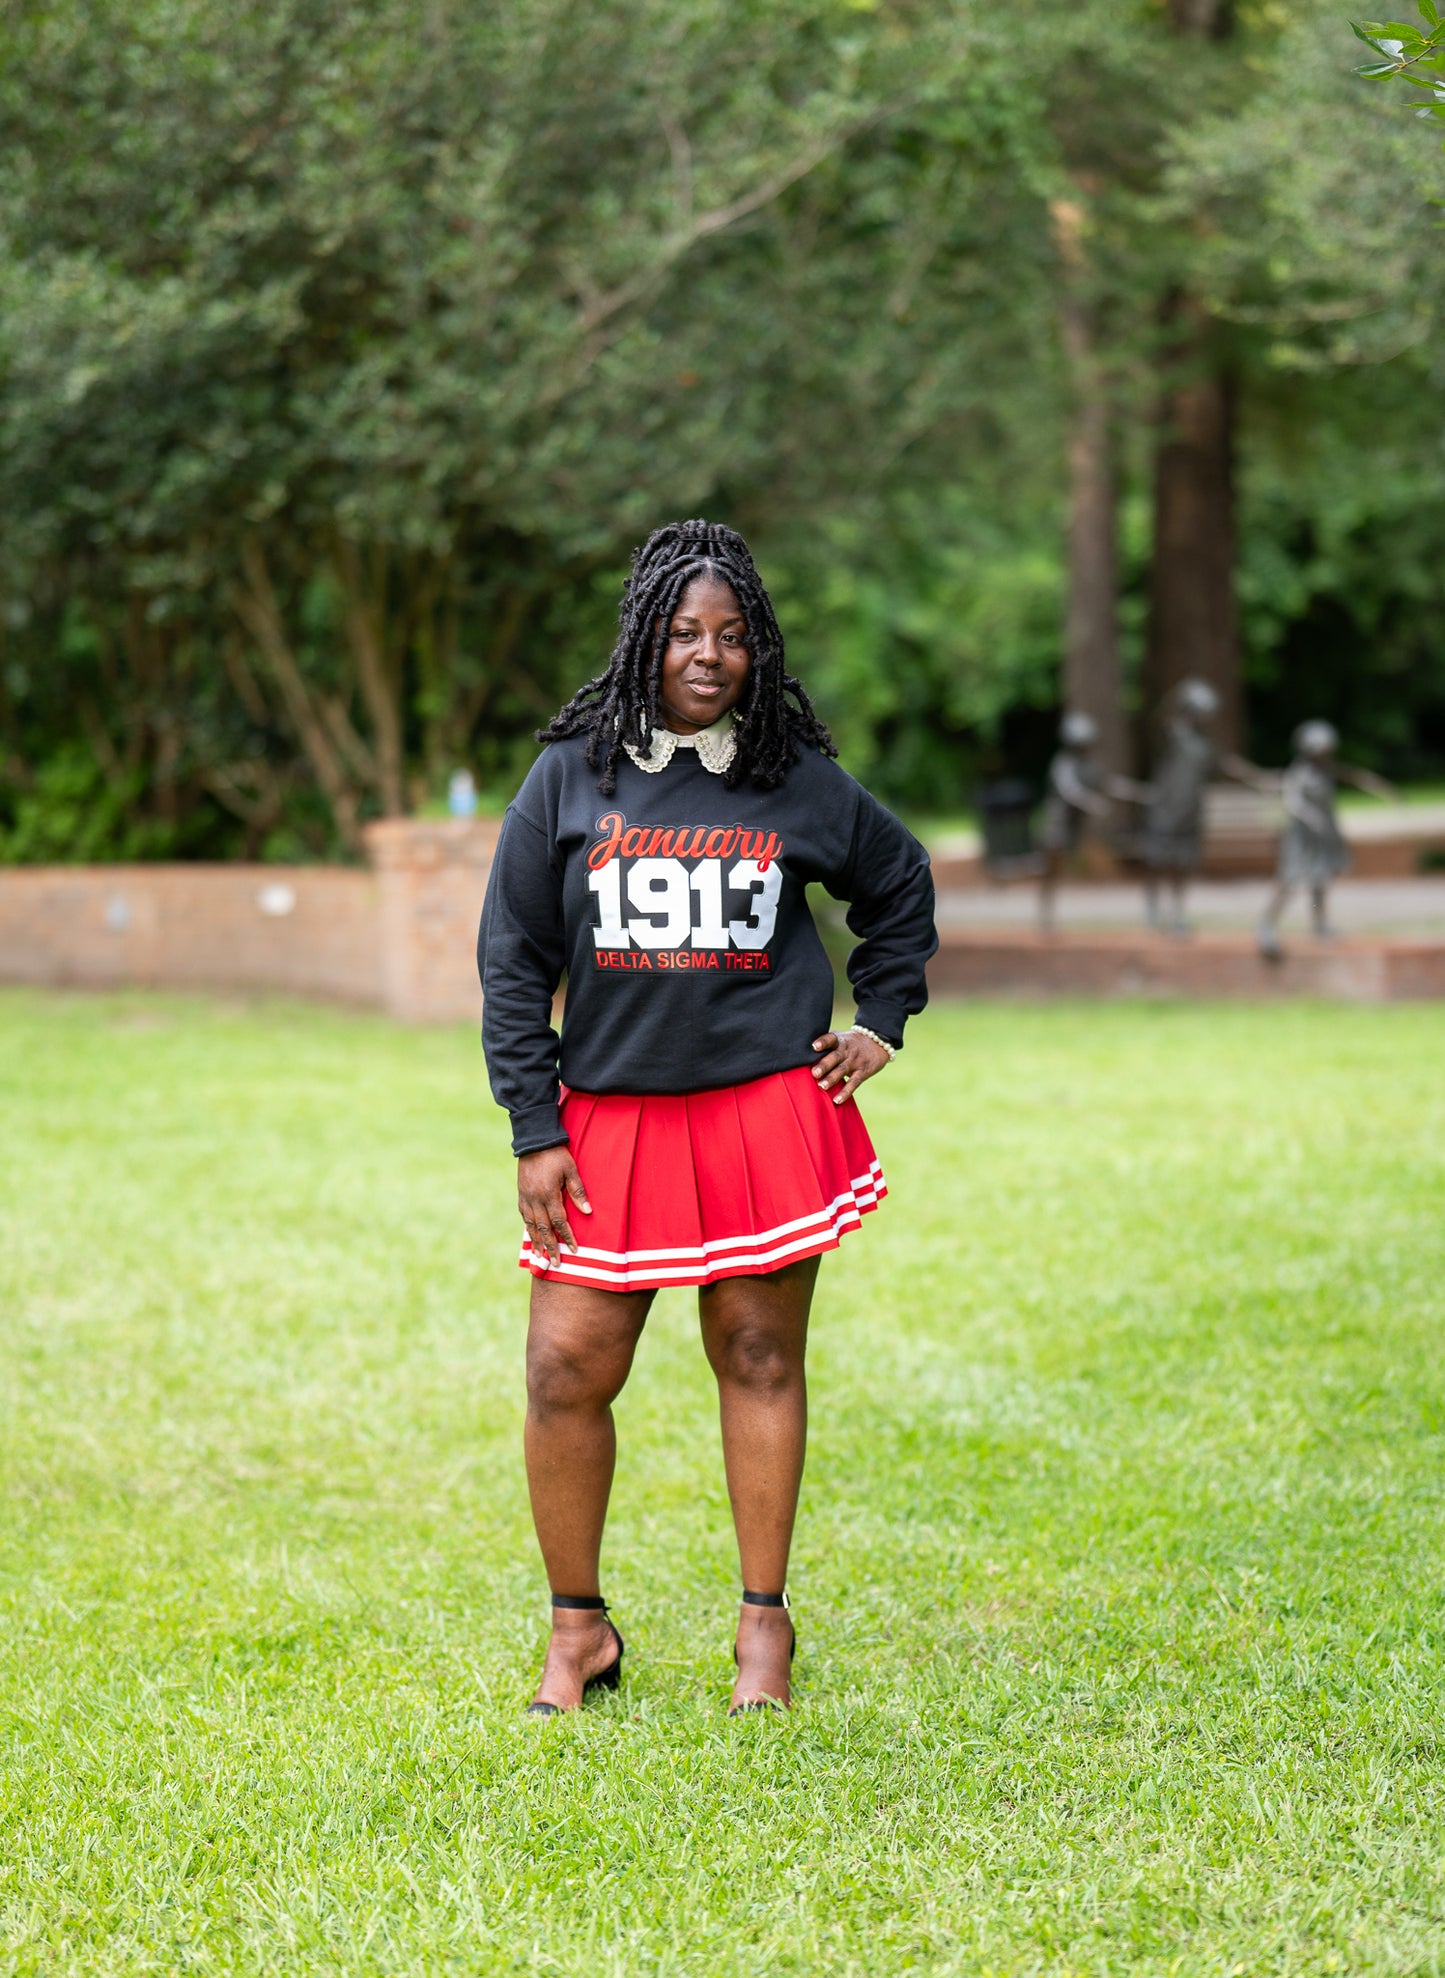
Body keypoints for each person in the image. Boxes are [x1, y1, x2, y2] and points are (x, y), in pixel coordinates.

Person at [476, 519, 937, 1718]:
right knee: (563, 1367)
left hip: (761, 1115)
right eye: (684, 631)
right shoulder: (573, 772)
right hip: (608, 1123)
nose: (707, 653)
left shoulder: (792, 776)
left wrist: (878, 1017)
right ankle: (577, 1633)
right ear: (644, 637)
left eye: (731, 635)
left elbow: (897, 882)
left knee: (757, 1355)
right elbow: (513, 957)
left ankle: (761, 1635)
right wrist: (534, 1123)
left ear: (756, 650)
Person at [1256, 721, 1396, 958]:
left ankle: (1320, 925)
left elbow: (1354, 775)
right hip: (1302, 837)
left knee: (1320, 879)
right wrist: (1311, 817)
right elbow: (1292, 801)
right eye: (1321, 752)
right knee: (1289, 880)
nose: (1325, 756)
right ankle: (1266, 925)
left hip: (1323, 835)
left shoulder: (1327, 770)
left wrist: (1380, 787)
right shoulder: (1299, 773)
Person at [1140, 678, 1266, 935]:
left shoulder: (1203, 743)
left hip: (1191, 812)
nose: (1205, 718)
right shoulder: (1171, 733)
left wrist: (1257, 777)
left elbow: (1224, 765)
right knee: (1158, 861)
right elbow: (1156, 719)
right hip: (1166, 809)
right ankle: (1153, 907)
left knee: (1183, 864)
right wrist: (1178, 693)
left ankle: (1176, 914)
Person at [1036, 712, 1142, 932]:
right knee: (1051, 872)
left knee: (1063, 870)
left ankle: (1048, 916)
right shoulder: (1062, 764)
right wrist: (1092, 802)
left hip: (1073, 827)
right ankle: (1046, 916)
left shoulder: (1088, 765)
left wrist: (1138, 792)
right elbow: (1069, 790)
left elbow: (1107, 783)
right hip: (1056, 825)